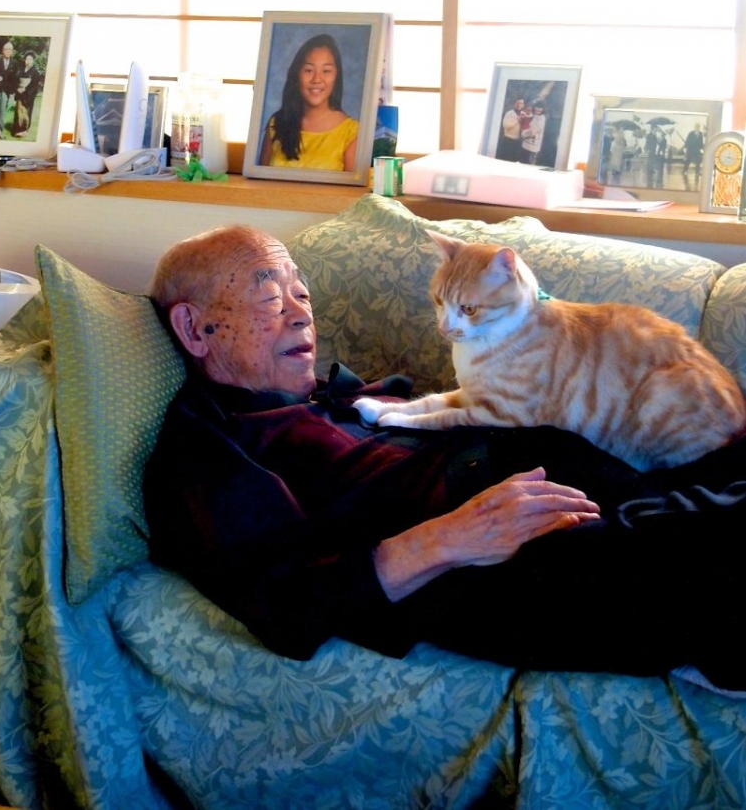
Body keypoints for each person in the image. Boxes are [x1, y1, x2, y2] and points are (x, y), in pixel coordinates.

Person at [143, 225, 746, 687]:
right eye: (271, 299)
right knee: (712, 569)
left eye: (301, 292)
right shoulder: (209, 447)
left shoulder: (324, 397)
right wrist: (450, 539)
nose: (303, 312)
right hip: (494, 549)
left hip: (555, 474)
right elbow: (285, 606)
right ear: (195, 330)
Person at [258, 34, 359, 171]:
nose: (317, 79)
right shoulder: (277, 124)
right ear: (297, 74)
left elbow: (352, 192)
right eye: (309, 70)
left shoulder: (351, 133)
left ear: (336, 76)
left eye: (326, 71)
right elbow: (260, 185)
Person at [11, 49, 41, 136]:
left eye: (30, 59)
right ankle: (17, 129)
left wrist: (25, 90)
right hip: (19, 93)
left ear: (33, 61)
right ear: (24, 60)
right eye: (27, 59)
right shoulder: (20, 70)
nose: (28, 61)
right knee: (18, 112)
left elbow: (34, 86)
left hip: (28, 95)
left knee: (26, 111)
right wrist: (17, 88)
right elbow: (16, 81)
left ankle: (24, 130)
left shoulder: (35, 72)